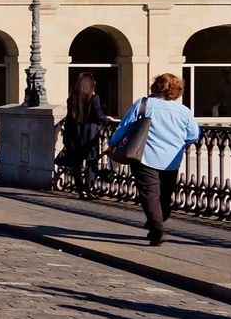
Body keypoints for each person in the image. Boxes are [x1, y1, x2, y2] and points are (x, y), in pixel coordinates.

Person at [107, 72, 203, 246]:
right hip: (172, 159)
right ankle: (158, 220)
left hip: (145, 155)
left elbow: (125, 126)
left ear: (156, 86)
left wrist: (112, 143)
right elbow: (193, 135)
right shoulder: (184, 111)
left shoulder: (144, 104)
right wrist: (179, 145)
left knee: (149, 194)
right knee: (165, 194)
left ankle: (157, 227)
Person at [62, 75, 109, 198]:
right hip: (89, 135)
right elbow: (99, 115)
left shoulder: (72, 99)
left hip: (74, 134)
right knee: (91, 162)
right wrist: (107, 119)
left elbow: (69, 118)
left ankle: (80, 190)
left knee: (76, 164)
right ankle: (89, 189)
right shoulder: (94, 98)